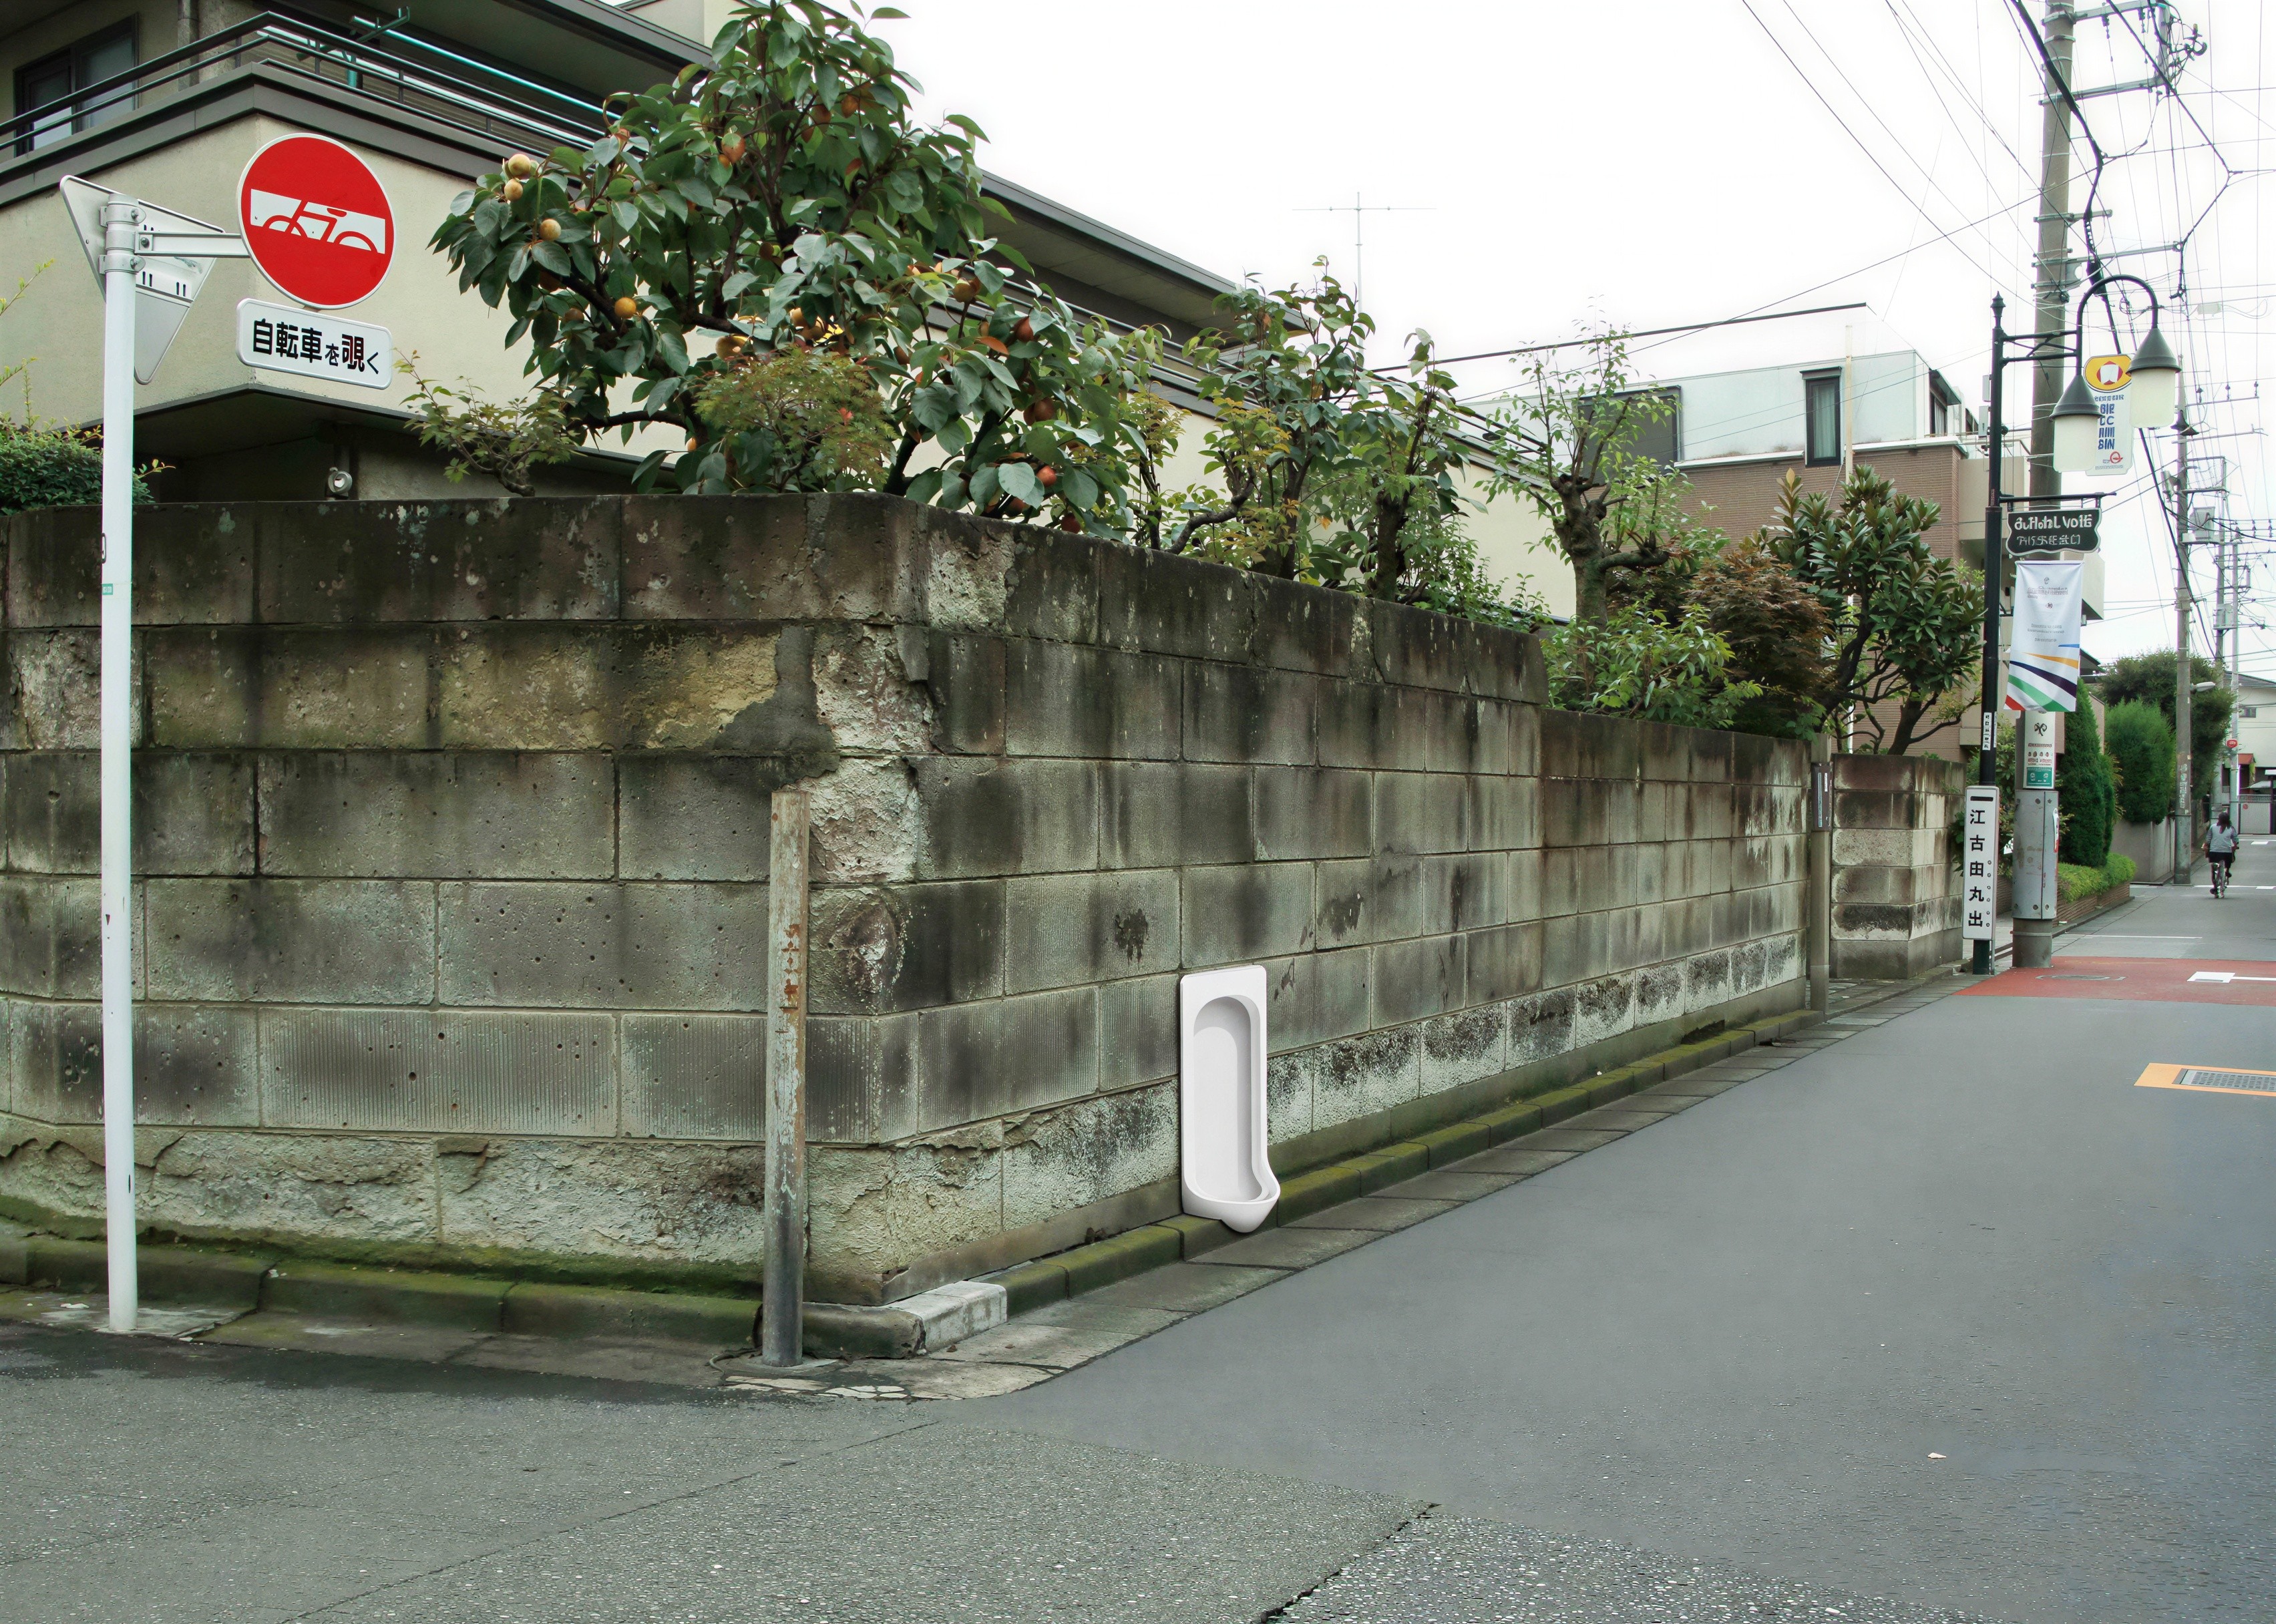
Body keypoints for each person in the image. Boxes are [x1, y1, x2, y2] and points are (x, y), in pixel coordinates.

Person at [2207, 811, 2239, 896]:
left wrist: (2207, 845)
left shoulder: (2213, 827)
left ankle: (2215, 886)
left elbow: (2208, 839)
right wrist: (2235, 846)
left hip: (2214, 852)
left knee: (2214, 870)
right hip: (2226, 853)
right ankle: (2227, 871)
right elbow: (2235, 839)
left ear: (2219, 820)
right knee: (2227, 864)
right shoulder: (2231, 829)